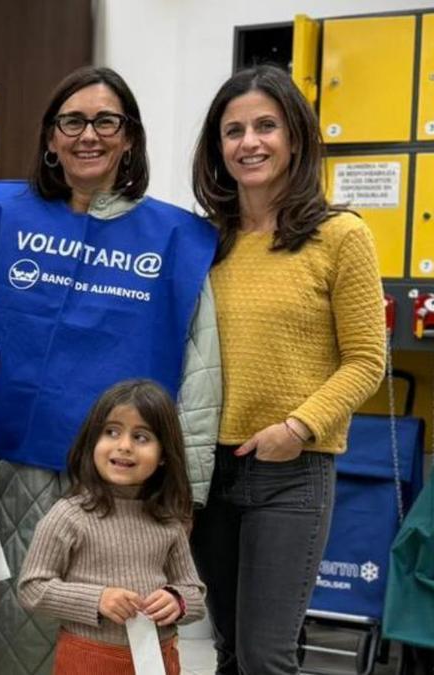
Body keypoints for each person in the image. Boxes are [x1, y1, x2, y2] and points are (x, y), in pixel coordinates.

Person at [0, 66, 220, 675]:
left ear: (129, 137)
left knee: (114, 650)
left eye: (106, 121)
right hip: (22, 477)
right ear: (51, 139)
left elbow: (203, 373)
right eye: (73, 121)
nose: (90, 134)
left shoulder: (175, 240)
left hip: (129, 495)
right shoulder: (11, 221)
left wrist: (188, 494)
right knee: (17, 650)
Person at [189, 64, 386, 675]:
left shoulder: (340, 235)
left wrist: (297, 427)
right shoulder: (205, 240)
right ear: (218, 149)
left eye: (265, 126)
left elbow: (367, 360)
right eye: (233, 130)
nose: (249, 142)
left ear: (294, 137)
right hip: (209, 473)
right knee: (226, 651)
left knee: (266, 657)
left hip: (291, 471)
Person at [18, 379, 206, 675]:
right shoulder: (69, 515)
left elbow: (194, 593)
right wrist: (97, 599)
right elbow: (31, 588)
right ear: (92, 441)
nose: (124, 446)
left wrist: (177, 601)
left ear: (164, 456)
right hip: (87, 660)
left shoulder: (169, 520)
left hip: (158, 660)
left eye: (142, 437)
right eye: (111, 432)